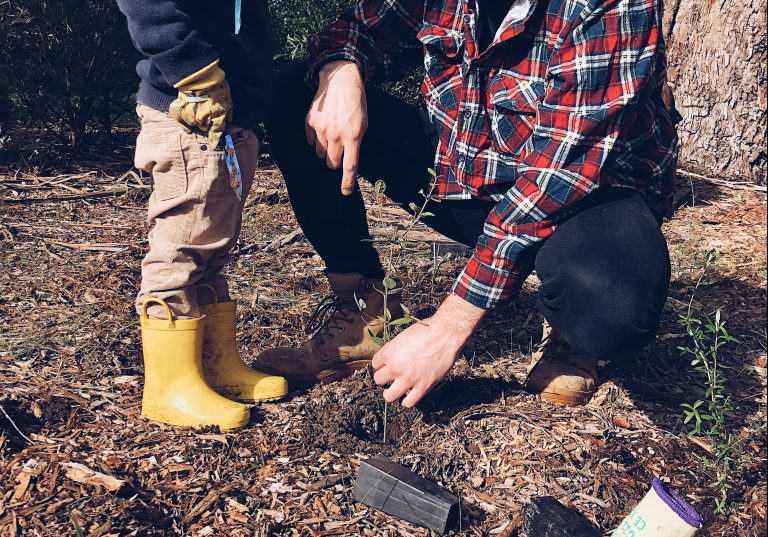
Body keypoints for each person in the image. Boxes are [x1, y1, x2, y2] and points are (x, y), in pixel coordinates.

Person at [256, 0, 680, 408]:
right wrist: (342, 70)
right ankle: (366, 308)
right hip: (471, 174)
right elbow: (360, 27)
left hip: (586, 194)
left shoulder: (608, 5)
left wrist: (448, 327)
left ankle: (574, 338)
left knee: (611, 311)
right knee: (299, 92)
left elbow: (558, 177)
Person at [118, 0, 287, 430]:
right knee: (182, 245)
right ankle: (169, 387)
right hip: (189, 109)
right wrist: (194, 71)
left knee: (213, 243)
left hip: (231, 115)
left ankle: (213, 366)